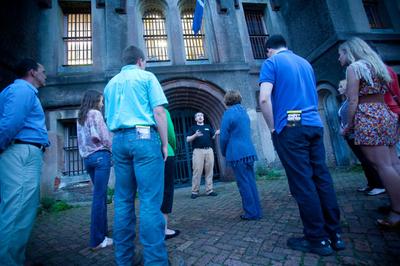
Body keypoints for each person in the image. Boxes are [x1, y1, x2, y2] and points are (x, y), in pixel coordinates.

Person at [259, 35, 345, 256]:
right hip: (312, 123)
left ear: (269, 49)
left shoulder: (271, 62)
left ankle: (317, 239)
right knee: (321, 178)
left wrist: (272, 128)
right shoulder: (305, 63)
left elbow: (264, 99)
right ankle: (335, 234)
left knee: (302, 182)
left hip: (291, 126)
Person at [104, 45, 169, 265]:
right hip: (144, 138)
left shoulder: (110, 84)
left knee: (123, 200)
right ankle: (156, 261)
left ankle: (124, 260)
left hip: (119, 140)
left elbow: (108, 118)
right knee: (150, 201)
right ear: (140, 61)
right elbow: (159, 112)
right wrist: (164, 143)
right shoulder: (147, 77)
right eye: (145, 62)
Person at [338, 37, 400, 228]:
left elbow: (353, 100)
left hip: (368, 116)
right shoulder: (378, 66)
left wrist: (348, 125)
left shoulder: (354, 68)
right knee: (394, 163)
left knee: (382, 166)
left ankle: (397, 210)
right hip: (384, 113)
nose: (339, 58)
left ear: (350, 51)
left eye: (340, 53)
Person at [0, 58, 49, 265]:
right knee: (17, 209)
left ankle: (13, 259)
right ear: (32, 72)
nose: (45, 75)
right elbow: (10, 123)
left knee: (22, 209)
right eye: (43, 71)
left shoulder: (23, 91)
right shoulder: (22, 90)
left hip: (23, 150)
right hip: (21, 152)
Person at [77, 90, 113, 250]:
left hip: (87, 160)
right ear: (95, 100)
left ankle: (103, 232)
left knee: (101, 196)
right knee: (99, 198)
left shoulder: (80, 116)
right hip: (100, 157)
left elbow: (81, 141)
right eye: (101, 101)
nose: (102, 104)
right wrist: (114, 149)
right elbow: (105, 136)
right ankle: (97, 240)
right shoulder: (96, 114)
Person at [337, 80, 386, 196]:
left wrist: (346, 129)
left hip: (356, 134)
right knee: (363, 161)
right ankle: (371, 184)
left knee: (367, 159)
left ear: (347, 87)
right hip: (349, 135)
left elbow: (355, 116)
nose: (338, 88)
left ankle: (380, 185)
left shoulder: (353, 101)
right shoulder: (345, 102)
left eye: (341, 86)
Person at [219, 90, 262, 220]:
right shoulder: (244, 112)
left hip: (237, 153)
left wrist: (223, 151)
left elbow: (223, 137)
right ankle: (257, 210)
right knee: (250, 181)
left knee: (243, 183)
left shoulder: (228, 113)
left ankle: (251, 213)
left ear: (227, 100)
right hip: (249, 151)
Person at [186, 112, 220, 198]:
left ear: (203, 118)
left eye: (201, 115)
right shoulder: (193, 128)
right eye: (198, 116)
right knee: (197, 171)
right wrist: (195, 135)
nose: (200, 117)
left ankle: (209, 190)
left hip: (209, 150)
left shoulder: (208, 127)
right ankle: (194, 192)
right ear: (195, 119)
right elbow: (188, 139)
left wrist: (216, 133)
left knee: (209, 171)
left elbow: (212, 137)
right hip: (198, 151)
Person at [162, 108, 180, 239]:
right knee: (167, 190)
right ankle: (164, 229)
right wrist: (172, 147)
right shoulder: (162, 110)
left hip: (147, 153)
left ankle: (153, 228)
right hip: (166, 152)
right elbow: (171, 134)